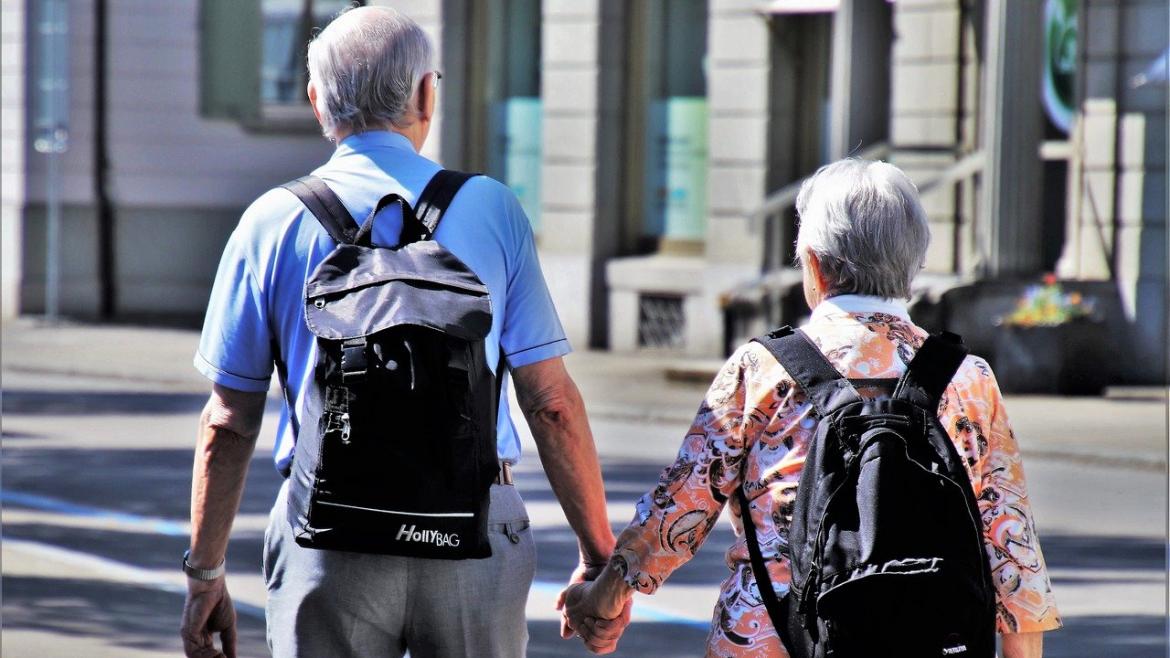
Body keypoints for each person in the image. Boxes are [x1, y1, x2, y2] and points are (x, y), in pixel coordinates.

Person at [180, 7, 627, 657]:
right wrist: (598, 555)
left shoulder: (270, 221)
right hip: (474, 531)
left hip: (328, 534)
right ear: (425, 94)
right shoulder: (492, 209)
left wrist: (205, 574)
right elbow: (550, 402)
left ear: (316, 100)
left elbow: (229, 421)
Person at [560, 159, 1062, 657]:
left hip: (769, 638)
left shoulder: (762, 368)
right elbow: (1012, 547)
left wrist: (604, 597)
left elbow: (681, 507)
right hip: (927, 640)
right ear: (913, 263)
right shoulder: (969, 379)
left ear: (816, 265)